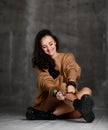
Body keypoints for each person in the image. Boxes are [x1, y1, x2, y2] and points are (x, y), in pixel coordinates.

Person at [25, 29, 95, 123]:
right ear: (41, 48)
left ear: (54, 41)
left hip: (67, 100)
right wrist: (56, 92)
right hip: (51, 99)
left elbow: (72, 68)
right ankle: (77, 104)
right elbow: (45, 81)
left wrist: (71, 83)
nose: (49, 48)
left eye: (50, 44)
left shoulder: (67, 57)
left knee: (87, 91)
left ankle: (52, 115)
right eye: (44, 47)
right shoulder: (40, 64)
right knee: (62, 86)